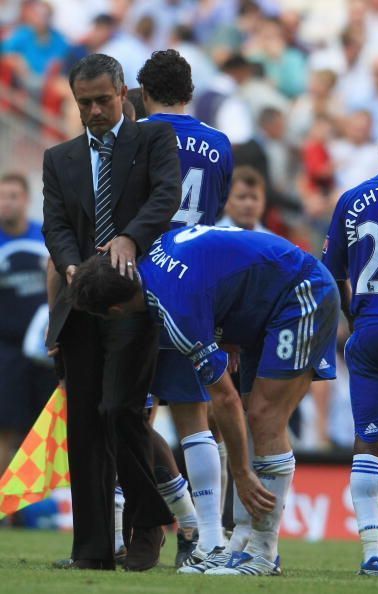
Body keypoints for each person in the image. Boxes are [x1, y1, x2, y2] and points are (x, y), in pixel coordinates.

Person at [69, 223, 340, 577]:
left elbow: (223, 399)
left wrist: (241, 473)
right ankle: (240, 545)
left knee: (264, 416)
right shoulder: (157, 246)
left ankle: (263, 553)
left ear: (115, 311)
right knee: (254, 414)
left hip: (301, 293)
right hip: (267, 301)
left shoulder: (173, 309)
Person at [42, 53, 181, 571]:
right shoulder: (60, 158)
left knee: (119, 412)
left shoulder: (153, 141)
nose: (96, 110)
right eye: (85, 103)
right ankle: (93, 552)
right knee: (84, 426)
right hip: (80, 304)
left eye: (103, 99)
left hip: (133, 300)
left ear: (123, 91)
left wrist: (128, 237)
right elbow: (54, 224)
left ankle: (146, 526)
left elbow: (167, 196)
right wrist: (72, 266)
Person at [135, 49, 234, 566]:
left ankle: (153, 528)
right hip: (196, 281)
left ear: (142, 90)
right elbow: (214, 218)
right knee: (196, 417)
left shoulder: (135, 136)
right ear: (190, 92)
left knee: (133, 413)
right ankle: (209, 537)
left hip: (143, 277)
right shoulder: (219, 145)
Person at [322, 115, 378, 576]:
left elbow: (331, 272)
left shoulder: (353, 199)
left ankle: (373, 550)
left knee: (369, 439)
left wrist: (355, 317)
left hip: (374, 327)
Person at [0, 172, 56, 475]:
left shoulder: (45, 237)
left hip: (45, 350)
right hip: (6, 351)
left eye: (13, 196)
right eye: (2, 197)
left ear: (26, 200)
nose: (6, 203)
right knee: (6, 427)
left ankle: (48, 505)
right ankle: (5, 508)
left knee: (44, 429)